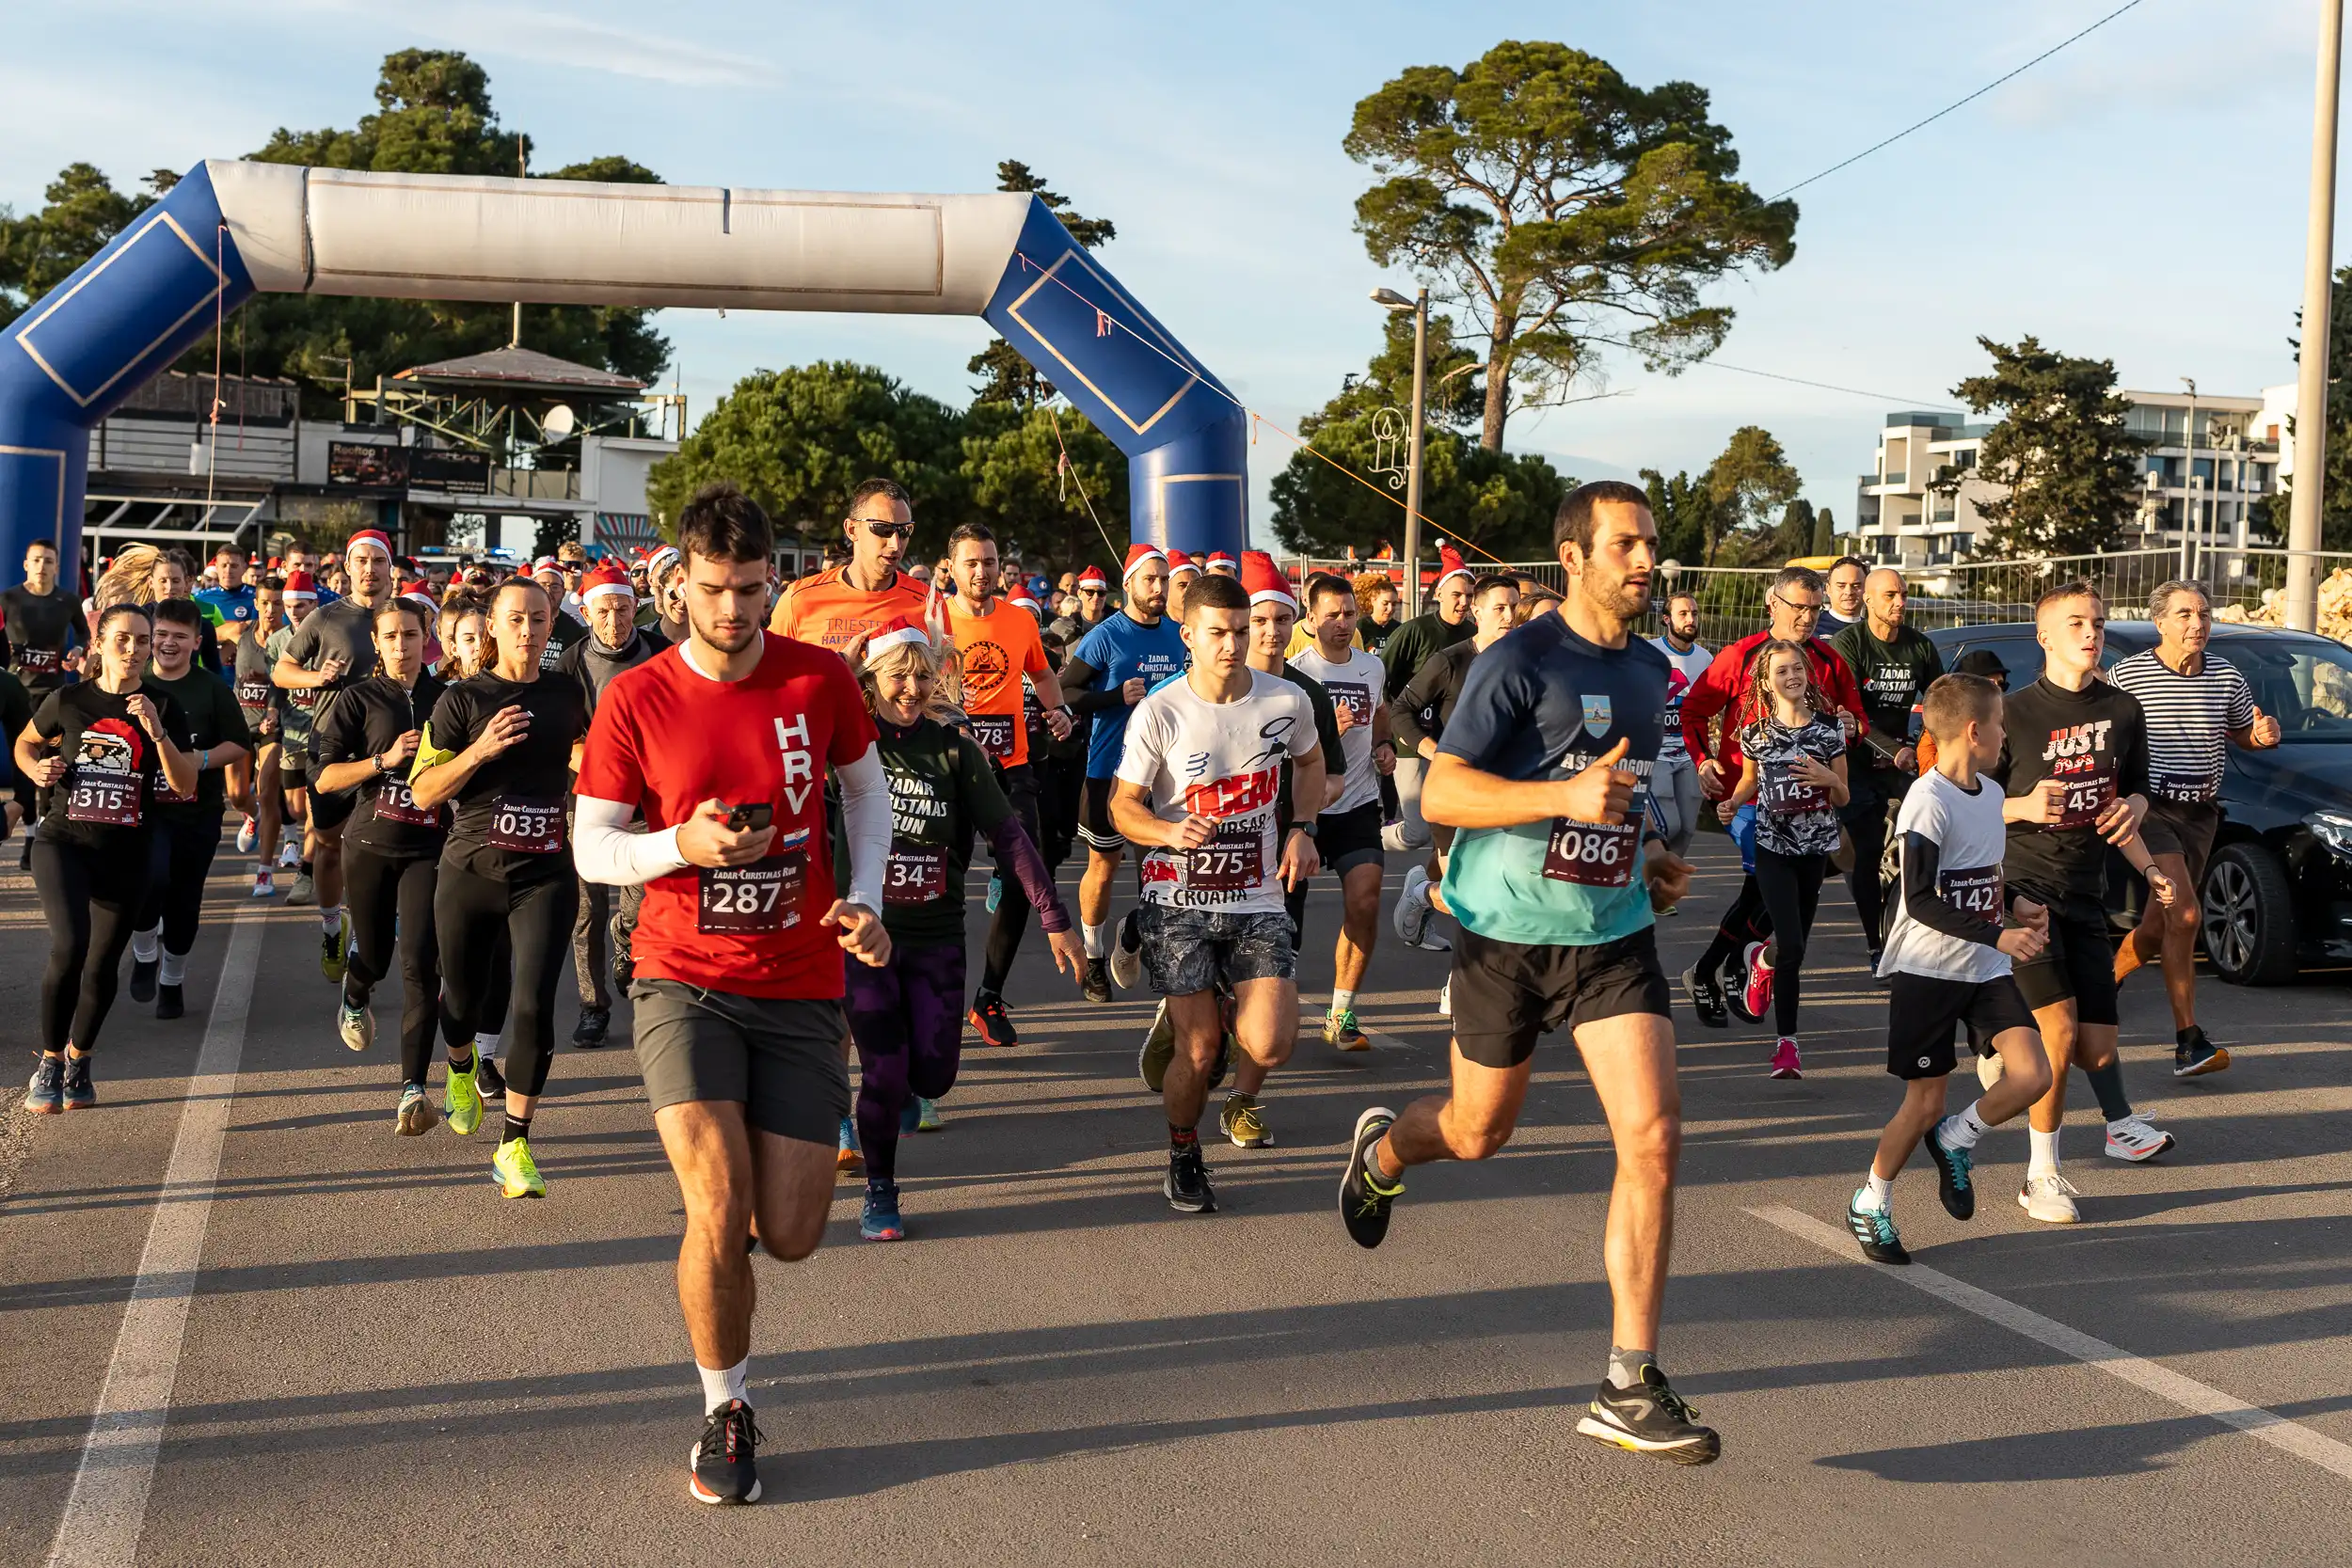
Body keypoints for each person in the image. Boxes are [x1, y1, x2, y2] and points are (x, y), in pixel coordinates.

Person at [1334, 480, 1715, 1465]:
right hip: (1505, 933)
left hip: (1610, 932)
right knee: (1476, 1130)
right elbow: (1444, 793)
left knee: (1656, 1135)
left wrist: (1648, 855)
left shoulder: (1645, 668)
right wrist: (1563, 793)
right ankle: (1384, 1151)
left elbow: (1613, 787)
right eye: (1625, 544)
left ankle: (1628, 1377)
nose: (1645, 561)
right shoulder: (1517, 660)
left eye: (1651, 544)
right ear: (1574, 555)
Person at [571, 481, 893, 1505]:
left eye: (752, 588)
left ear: (772, 581)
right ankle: (726, 1405)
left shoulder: (818, 679)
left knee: (789, 1230)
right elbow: (593, 843)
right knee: (715, 1200)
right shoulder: (636, 696)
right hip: (683, 978)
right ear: (680, 587)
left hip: (802, 978)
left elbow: (867, 796)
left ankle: (736, 1251)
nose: (735, 610)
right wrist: (684, 843)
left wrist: (868, 898)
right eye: (715, 589)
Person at [845, 612, 1082, 1238]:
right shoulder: (849, 745)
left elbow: (1010, 836)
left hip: (936, 937)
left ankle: (901, 1098)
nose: (911, 688)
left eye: (922, 676)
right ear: (871, 680)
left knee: (934, 1075)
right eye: (897, 675)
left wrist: (1055, 914)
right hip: (865, 939)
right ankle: (881, 1191)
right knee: (884, 1071)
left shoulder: (954, 750)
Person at [1108, 571, 1323, 1212]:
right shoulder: (1162, 711)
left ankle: (1206, 1003)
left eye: (1242, 629)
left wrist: (1304, 827)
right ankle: (1183, 1152)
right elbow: (1123, 807)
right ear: (1189, 636)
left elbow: (1310, 764)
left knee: (1271, 1043)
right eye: (1219, 633)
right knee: (1200, 1050)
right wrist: (1169, 831)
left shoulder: (1286, 701)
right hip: (1177, 900)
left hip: (1256, 896)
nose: (1233, 644)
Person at [1845, 673, 2055, 1265]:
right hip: (1929, 969)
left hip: (1984, 966)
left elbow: (1982, 873)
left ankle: (1957, 1140)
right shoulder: (1926, 801)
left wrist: (2014, 904)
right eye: (1999, 725)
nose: (2004, 735)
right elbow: (1921, 898)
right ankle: (1872, 1200)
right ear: (1974, 730)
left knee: (2033, 1073)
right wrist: (2001, 933)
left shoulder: (1989, 794)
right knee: (1924, 1102)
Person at [1993, 581, 2180, 1224]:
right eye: (2076, 623)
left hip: (2087, 891)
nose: (2091, 632)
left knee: (2096, 1045)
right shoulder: (2011, 712)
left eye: (2097, 622)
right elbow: (1957, 801)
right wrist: (2019, 805)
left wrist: (2136, 814)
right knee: (2060, 1032)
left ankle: (2116, 1124)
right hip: (2024, 892)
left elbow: (2136, 791)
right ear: (2044, 636)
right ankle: (2040, 1174)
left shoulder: (2125, 711)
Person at [409, 577, 594, 1199]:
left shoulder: (568, 692)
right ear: (491, 626)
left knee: (534, 1005)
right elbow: (423, 791)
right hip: (469, 872)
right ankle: (460, 1063)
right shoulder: (461, 700)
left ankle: (514, 1142)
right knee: (459, 1000)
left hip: (544, 872)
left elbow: (584, 752)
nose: (528, 630)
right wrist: (479, 751)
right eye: (516, 619)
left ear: (551, 623)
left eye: (539, 618)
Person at [16, 605, 197, 1113]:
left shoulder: (164, 704)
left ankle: (80, 1058)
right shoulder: (68, 700)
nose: (135, 649)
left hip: (127, 852)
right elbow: (25, 744)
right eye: (123, 638)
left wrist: (158, 732)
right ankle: (50, 1061)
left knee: (100, 965)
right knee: (71, 946)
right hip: (64, 841)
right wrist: (35, 769)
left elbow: (184, 785)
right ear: (99, 643)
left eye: (143, 640)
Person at [1678, 566, 1868, 1029]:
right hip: (1747, 797)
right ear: (1772, 603)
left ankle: (1710, 969)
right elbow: (1692, 712)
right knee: (1764, 883)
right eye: (1798, 606)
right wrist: (1704, 762)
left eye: (1815, 608)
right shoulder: (1739, 656)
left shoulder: (1829, 662)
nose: (1807, 616)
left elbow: (1858, 724)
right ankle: (1735, 967)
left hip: (1809, 806)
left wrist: (1851, 729)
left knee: (1766, 891)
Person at [2110, 579, 2280, 1077]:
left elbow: (2240, 731)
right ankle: (2189, 1040)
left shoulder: (2227, 676)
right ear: (2159, 623)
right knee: (2184, 915)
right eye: (2184, 614)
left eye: (2203, 614)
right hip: (2151, 809)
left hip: (2200, 813)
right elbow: (2104, 730)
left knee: (2158, 925)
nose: (2197, 624)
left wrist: (2260, 735)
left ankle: (2102, 981)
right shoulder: (2129, 675)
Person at [310, 598, 455, 1132]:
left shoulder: (447, 699)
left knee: (420, 964)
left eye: (410, 635)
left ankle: (413, 1091)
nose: (401, 646)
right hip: (369, 845)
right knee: (373, 954)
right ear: (377, 642)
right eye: (391, 636)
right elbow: (325, 780)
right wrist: (384, 761)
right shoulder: (357, 699)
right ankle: (355, 992)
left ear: (426, 639)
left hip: (429, 848)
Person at [941, 523, 1073, 1047]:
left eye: (990, 561)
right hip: (949, 770)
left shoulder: (1019, 621)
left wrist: (1057, 708)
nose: (982, 571)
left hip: (1011, 765)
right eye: (971, 562)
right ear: (951, 568)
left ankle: (988, 997)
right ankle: (941, 998)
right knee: (940, 890)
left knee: (1024, 875)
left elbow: (1040, 674)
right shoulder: (934, 621)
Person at [274, 530, 401, 976]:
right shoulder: (326, 617)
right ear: (347, 568)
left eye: (378, 561)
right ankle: (332, 927)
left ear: (391, 568)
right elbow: (281, 670)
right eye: (361, 561)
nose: (369, 569)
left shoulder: (406, 617)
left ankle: (372, 935)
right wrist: (317, 678)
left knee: (385, 850)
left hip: (393, 754)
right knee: (327, 848)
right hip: (332, 747)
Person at [1061, 545, 1185, 1000]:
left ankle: (1136, 937)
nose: (1158, 587)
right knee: (1104, 866)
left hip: (1166, 775)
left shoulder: (1179, 635)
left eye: (1164, 579)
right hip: (1110, 771)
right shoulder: (1106, 636)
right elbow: (1064, 690)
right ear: (1128, 583)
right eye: (1149, 579)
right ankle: (1093, 955)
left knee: (1163, 869)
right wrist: (1115, 698)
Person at [1722, 641, 1851, 1079]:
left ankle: (1762, 961)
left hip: (1813, 851)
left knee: (1791, 948)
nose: (1791, 676)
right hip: (1772, 848)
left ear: (1808, 675)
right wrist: (1729, 802)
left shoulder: (1830, 731)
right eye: (1781, 671)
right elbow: (1748, 783)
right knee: (1793, 948)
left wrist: (1828, 777)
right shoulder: (1756, 734)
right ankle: (1787, 1047)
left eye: (1797, 668)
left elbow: (1843, 794)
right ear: (1766, 681)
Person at [557, 562, 670, 1049]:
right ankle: (592, 1006)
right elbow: (557, 733)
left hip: (650, 798)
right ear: (585, 612)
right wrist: (587, 759)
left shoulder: (664, 654)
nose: (615, 622)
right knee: (585, 909)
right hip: (584, 798)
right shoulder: (571, 663)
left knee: (639, 898)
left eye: (623, 610)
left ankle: (627, 943)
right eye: (603, 612)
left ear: (636, 607)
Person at [1391, 574, 1523, 983]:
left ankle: (1459, 983)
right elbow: (1401, 711)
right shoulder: (1450, 661)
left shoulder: (1526, 663)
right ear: (1477, 610)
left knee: (1495, 892)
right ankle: (1423, 897)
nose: (1508, 615)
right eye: (1499, 607)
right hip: (1451, 790)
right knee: (1466, 895)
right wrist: (1438, 752)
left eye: (1514, 607)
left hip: (1505, 793)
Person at [127, 599, 252, 1020]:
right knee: (149, 878)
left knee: (184, 900)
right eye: (160, 634)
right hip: (144, 811)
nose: (168, 643)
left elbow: (239, 744)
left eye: (179, 637)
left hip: (196, 813)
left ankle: (172, 980)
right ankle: (144, 951)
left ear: (197, 642)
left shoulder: (212, 687)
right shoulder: (133, 682)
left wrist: (197, 760)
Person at [1287, 571, 1394, 1051]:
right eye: (1331, 615)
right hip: (1305, 806)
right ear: (1310, 619)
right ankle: (1265, 1005)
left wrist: (1384, 744)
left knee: (1366, 898)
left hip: (1357, 801)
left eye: (1349, 613)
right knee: (1285, 917)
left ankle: (1341, 1011)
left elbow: (1382, 709)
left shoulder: (1371, 666)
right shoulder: (1297, 672)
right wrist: (1326, 725)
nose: (1343, 623)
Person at [1832, 568, 1944, 964]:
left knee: (1919, 848)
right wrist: (1892, 748)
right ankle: (1874, 942)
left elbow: (1939, 704)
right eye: (1890, 595)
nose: (1899, 603)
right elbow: (1850, 710)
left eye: (1904, 594)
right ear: (1868, 599)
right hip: (1856, 764)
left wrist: (1931, 748)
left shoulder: (1921, 647)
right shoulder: (1850, 644)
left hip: (1902, 767)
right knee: (1865, 855)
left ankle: (1915, 931)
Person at [767, 477, 935, 654]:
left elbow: (944, 678)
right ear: (852, 530)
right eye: (883, 529)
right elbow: (772, 676)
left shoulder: (929, 604)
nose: (895, 544)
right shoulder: (799, 599)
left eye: (904, 531)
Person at [1378, 547, 1474, 855]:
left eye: (1470, 596)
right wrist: (1391, 727)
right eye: (1457, 594)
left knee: (1452, 834)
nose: (1463, 602)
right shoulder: (1415, 631)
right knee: (1417, 832)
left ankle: (1428, 894)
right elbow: (1380, 678)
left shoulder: (1475, 634)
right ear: (1440, 593)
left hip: (1456, 746)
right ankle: (1367, 838)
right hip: (1413, 741)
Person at [5, 538, 90, 869]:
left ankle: (40, 835)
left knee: (51, 767)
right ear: (26, 564)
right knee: (22, 764)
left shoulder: (67, 600)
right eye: (37, 560)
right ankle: (27, 834)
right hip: (15, 692)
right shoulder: (8, 598)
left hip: (52, 692)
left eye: (49, 561)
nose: (42, 566)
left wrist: (78, 652)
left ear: (57, 566)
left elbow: (83, 636)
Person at [263, 572, 323, 899]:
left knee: (314, 809)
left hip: (324, 732)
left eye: (300, 605)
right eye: (288, 606)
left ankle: (307, 871)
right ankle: (301, 842)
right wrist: (272, 710)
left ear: (314, 603)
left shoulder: (329, 633)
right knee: (296, 807)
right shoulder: (276, 641)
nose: (294, 611)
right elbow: (275, 682)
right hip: (292, 732)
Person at [1647, 592, 1712, 872]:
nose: (1690, 619)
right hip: (1655, 752)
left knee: (1686, 829)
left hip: (1689, 753)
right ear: (1666, 619)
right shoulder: (1649, 653)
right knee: (1666, 824)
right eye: (1683, 614)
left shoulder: (1706, 658)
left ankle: (1663, 883)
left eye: (1694, 614)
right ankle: (1642, 876)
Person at [1354, 571, 1403, 658]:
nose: (1390, 608)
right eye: (1385, 603)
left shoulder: (1399, 629)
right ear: (1373, 601)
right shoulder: (1360, 627)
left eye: (1394, 604)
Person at [1819, 555, 1869, 635]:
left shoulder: (1874, 631)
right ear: (1828, 589)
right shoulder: (1812, 628)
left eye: (1856, 586)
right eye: (1841, 586)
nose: (1848, 592)